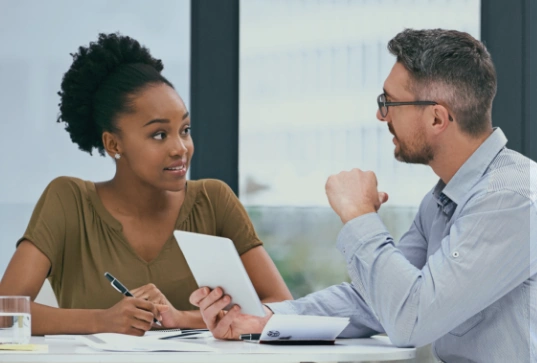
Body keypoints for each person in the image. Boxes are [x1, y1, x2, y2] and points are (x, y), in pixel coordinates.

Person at [190, 29, 537, 362]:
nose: (380, 114)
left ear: (436, 118)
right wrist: (266, 318)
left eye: (390, 102)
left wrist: (359, 215)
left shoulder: (511, 198)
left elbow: (411, 319)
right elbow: (377, 299)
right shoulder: (441, 200)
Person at [0, 33, 292, 336]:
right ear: (114, 143)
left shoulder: (213, 200)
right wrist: (103, 321)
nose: (181, 148)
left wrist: (181, 317)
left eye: (185, 129)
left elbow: (283, 304)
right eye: (159, 135)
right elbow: (4, 310)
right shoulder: (69, 201)